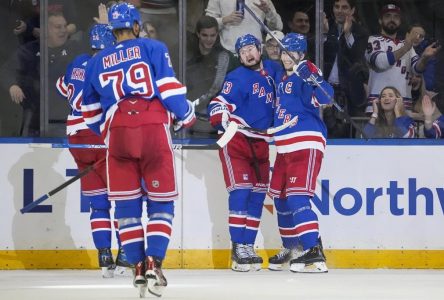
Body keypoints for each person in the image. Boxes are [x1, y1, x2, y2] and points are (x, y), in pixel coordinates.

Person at [81, 3, 195, 296]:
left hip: (118, 133)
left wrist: (108, 130)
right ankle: (154, 260)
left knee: (127, 208)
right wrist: (186, 115)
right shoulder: (152, 47)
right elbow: (168, 88)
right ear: (135, 26)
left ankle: (137, 267)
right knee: (161, 202)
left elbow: (89, 110)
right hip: (152, 127)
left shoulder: (96, 61)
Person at [56, 24, 134, 278]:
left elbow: (61, 86)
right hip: (100, 135)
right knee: (122, 197)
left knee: (98, 201)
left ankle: (103, 255)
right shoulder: (108, 66)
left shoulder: (78, 61)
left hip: (76, 140)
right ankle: (124, 254)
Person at [208, 34, 281, 272]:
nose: (248, 55)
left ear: (260, 50)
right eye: (242, 52)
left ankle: (248, 246)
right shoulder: (236, 77)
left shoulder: (273, 69)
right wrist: (219, 114)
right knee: (241, 192)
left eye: (251, 49)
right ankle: (238, 247)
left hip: (260, 142)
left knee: (258, 196)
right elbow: (220, 101)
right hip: (236, 139)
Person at [268, 33, 332, 273]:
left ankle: (313, 249)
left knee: (297, 196)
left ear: (301, 54)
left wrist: (314, 78)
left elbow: (326, 97)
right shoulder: (281, 79)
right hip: (283, 147)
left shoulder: (305, 74)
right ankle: (293, 248)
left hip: (305, 142)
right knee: (281, 198)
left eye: (291, 52)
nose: (286, 57)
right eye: (283, 52)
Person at [7, 11, 82, 136]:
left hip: (66, 123)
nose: (63, 30)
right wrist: (12, 85)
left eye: (64, 26)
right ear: (46, 30)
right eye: (58, 27)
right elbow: (7, 70)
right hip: (34, 123)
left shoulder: (75, 50)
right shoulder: (30, 50)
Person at [365, 3, 440, 114]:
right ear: (380, 21)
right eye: (388, 16)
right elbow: (380, 62)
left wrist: (424, 57)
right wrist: (405, 48)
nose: (392, 19)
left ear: (400, 21)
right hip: (378, 107)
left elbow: (417, 69)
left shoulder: (406, 44)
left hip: (404, 107)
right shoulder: (373, 40)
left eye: (396, 17)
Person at [323, 0, 369, 138]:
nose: (340, 10)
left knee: (347, 134)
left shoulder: (360, 32)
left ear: (352, 10)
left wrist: (348, 34)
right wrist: (325, 34)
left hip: (348, 93)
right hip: (326, 89)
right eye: (337, 7)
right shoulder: (325, 26)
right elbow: (318, 55)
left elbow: (356, 56)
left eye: (344, 7)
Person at [186, 15, 236, 138]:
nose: (209, 39)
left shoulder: (226, 57)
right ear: (198, 34)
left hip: (214, 117)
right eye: (205, 35)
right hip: (187, 114)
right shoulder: (184, 54)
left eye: (212, 35)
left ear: (217, 34)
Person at [205, 0, 283, 53]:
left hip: (257, 52)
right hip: (229, 52)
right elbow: (207, 25)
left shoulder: (264, 1)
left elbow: (278, 27)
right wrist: (224, 20)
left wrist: (268, 12)